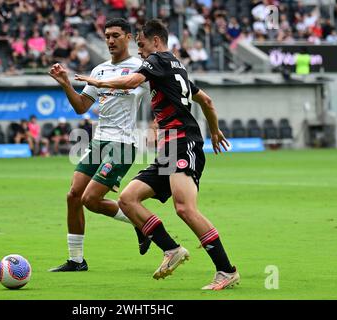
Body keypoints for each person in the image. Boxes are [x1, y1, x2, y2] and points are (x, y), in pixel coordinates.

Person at [75, 19, 239, 290]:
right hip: (170, 148)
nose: (139, 51)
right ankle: (171, 249)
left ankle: (226, 270)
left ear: (156, 41)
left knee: (185, 208)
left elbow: (131, 81)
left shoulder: (159, 60)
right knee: (128, 199)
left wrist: (96, 81)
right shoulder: (177, 68)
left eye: (141, 45)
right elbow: (206, 101)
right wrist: (215, 131)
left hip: (183, 142)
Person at [48, 18, 152, 272]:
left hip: (123, 143)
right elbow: (81, 106)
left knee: (91, 200)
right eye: (107, 36)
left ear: (128, 37)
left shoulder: (141, 67)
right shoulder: (99, 70)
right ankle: (76, 260)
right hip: (98, 141)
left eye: (116, 35)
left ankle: (143, 223)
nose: (110, 41)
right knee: (74, 195)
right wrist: (65, 84)